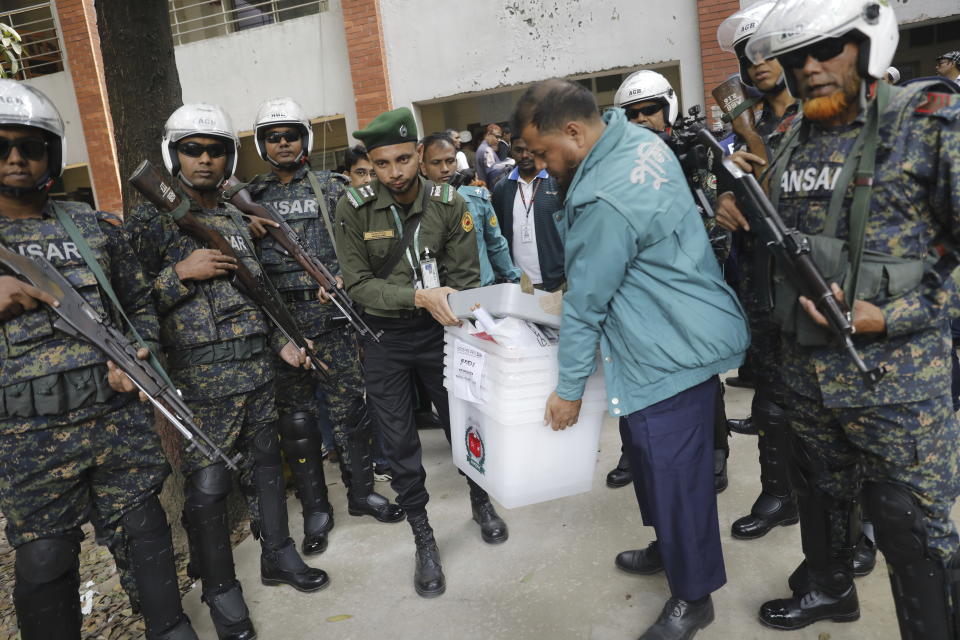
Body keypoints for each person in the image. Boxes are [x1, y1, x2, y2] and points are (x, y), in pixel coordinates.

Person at [742, 1, 960, 634]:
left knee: (908, 527)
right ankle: (829, 590)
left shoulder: (930, 123)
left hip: (895, 385)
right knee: (821, 495)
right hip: (807, 375)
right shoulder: (790, 138)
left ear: (868, 45)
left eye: (826, 49)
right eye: (794, 58)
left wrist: (888, 316)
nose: (808, 68)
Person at [516, 77, 749, 640]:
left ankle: (694, 597)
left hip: (666, 345)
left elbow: (588, 302)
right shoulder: (637, 140)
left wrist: (568, 391)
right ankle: (669, 548)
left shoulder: (604, 196)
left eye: (545, 152)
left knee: (674, 476)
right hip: (661, 327)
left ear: (573, 131)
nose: (543, 166)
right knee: (648, 461)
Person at [0, 80, 198, 640]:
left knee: (145, 530)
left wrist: (140, 357)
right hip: (26, 435)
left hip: (115, 419)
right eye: (1, 146)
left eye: (30, 146)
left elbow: (137, 306)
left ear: (52, 155)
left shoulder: (91, 227)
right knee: (44, 560)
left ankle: (170, 627)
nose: (15, 158)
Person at [126, 103, 328, 639]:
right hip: (198, 381)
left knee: (267, 464)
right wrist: (177, 274)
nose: (205, 159)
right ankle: (221, 589)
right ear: (174, 155)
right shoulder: (149, 218)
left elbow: (259, 292)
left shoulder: (236, 218)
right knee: (210, 486)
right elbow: (125, 306)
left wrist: (285, 341)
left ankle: (279, 555)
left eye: (216, 150)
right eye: (193, 149)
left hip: (256, 370)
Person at [335, 107, 508, 599]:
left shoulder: (449, 202)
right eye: (383, 163)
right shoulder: (353, 207)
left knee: (462, 421)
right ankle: (423, 536)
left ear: (419, 155)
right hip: (385, 340)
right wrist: (416, 295)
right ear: (372, 163)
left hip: (441, 333)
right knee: (399, 443)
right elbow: (360, 286)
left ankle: (481, 498)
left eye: (405, 160)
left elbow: (467, 278)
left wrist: (447, 304)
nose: (396, 173)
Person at [243, 97, 405, 557]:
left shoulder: (332, 187)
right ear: (262, 144)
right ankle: (316, 508)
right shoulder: (247, 200)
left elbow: (367, 241)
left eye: (290, 135)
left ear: (304, 139)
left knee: (350, 410)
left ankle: (361, 493)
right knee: (297, 422)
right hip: (283, 324)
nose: (282, 143)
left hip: (333, 318)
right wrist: (247, 227)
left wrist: (342, 278)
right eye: (273, 137)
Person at [606, 68, 732, 494]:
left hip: (692, 284)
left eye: (650, 110)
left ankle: (716, 452)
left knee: (702, 373)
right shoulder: (614, 162)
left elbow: (717, 220)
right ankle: (633, 450)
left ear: (668, 109)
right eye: (633, 113)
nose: (642, 119)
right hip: (639, 290)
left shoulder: (695, 152)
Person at [713, 0, 805, 545]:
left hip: (812, 287)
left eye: (767, 52)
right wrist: (726, 195)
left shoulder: (818, 116)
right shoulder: (752, 123)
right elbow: (736, 186)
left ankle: (853, 529)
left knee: (829, 416)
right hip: (761, 285)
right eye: (748, 57)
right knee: (770, 401)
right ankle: (779, 494)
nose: (756, 65)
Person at [418, 132, 520, 286]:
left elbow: (496, 244)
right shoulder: (415, 209)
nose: (445, 168)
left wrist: (515, 278)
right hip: (444, 298)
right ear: (423, 168)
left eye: (450, 161)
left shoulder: (478, 200)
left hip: (483, 292)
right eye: (436, 162)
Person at [490, 136, 565, 292]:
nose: (524, 155)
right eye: (518, 150)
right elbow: (497, 235)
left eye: (530, 150)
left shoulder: (557, 182)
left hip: (557, 281)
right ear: (511, 151)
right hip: (519, 284)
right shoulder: (501, 188)